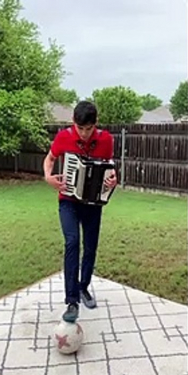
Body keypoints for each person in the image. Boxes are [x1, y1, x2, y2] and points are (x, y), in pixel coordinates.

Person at [43, 101, 118, 322]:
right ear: (73, 123)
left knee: (91, 246)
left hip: (93, 203)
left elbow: (109, 166)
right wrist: (49, 178)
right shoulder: (63, 137)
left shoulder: (106, 139)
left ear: (96, 124)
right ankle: (72, 300)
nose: (84, 134)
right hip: (68, 200)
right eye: (80, 128)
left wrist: (113, 178)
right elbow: (50, 159)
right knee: (72, 242)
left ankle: (84, 287)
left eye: (89, 129)